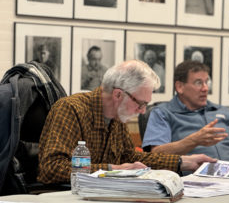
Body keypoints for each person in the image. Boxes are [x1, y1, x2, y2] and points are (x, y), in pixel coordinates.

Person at [37, 60, 216, 184]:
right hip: (66, 199)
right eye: (141, 103)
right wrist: (113, 169)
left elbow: (131, 158)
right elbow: (51, 169)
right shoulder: (71, 109)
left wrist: (182, 162)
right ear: (118, 95)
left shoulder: (117, 117)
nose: (143, 111)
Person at [142, 60, 229, 174]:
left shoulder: (222, 111)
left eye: (207, 82)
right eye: (199, 82)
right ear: (180, 87)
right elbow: (156, 155)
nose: (205, 88)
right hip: (196, 182)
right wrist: (194, 140)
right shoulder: (162, 113)